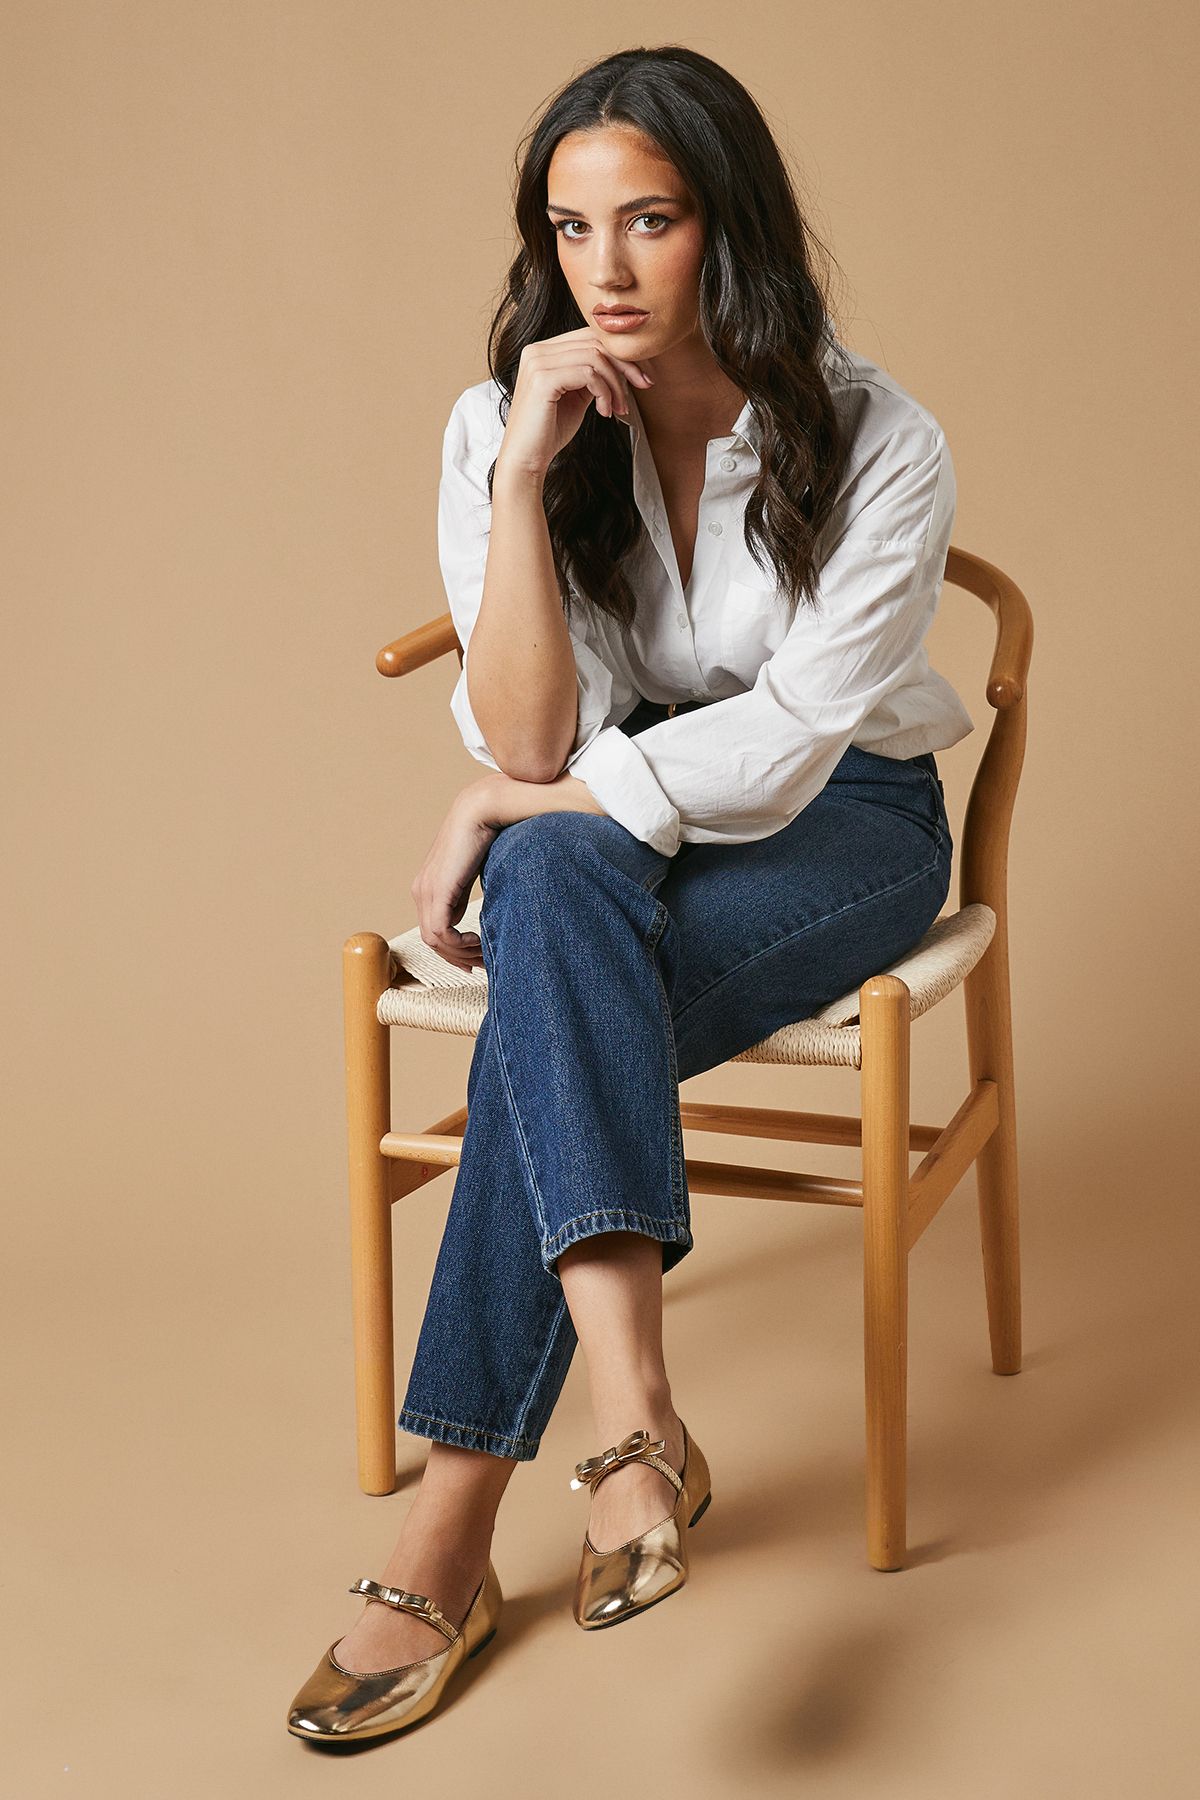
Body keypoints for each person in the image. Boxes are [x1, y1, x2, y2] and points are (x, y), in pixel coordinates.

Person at [287, 42, 972, 1745]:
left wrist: (500, 804)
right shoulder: (503, 422)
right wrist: (524, 477)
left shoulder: (878, 436)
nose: (604, 267)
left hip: (849, 821)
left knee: (544, 929)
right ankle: (636, 1416)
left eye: (650, 219)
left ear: (728, 224)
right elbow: (539, 731)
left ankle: (445, 1537)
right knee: (559, 888)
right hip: (615, 813)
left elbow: (797, 741)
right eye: (571, 225)